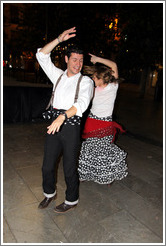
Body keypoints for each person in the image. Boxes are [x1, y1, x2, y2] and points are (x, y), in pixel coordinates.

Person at [36, 27, 94, 213]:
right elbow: (41, 55)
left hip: (70, 126)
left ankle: (71, 200)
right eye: (74, 59)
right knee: (47, 166)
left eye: (81, 60)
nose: (78, 64)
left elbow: (82, 104)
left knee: (69, 167)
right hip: (55, 124)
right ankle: (49, 194)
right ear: (67, 59)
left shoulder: (86, 82)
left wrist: (62, 117)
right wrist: (59, 39)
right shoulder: (58, 76)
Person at [78, 54, 128, 185]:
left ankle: (107, 175)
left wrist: (97, 59)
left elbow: (114, 66)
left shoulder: (113, 87)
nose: (92, 79)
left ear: (101, 78)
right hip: (92, 121)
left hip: (105, 122)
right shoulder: (92, 89)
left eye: (94, 77)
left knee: (103, 149)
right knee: (89, 148)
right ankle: (85, 173)